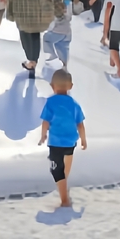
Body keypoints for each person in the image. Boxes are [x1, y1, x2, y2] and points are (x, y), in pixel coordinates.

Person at [39, 69, 87, 207]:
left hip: (55, 142)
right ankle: (64, 187)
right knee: (66, 166)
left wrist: (43, 135)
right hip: (71, 142)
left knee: (56, 170)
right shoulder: (74, 104)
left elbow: (45, 121)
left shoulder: (50, 102)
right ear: (70, 86)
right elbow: (80, 124)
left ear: (52, 86)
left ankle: (65, 200)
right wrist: (83, 139)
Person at [43, 0, 74, 68]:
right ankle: (64, 67)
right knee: (63, 48)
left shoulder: (59, 4)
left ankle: (52, 59)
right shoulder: (69, 2)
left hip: (58, 30)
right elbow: (69, 17)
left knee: (46, 39)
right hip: (68, 32)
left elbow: (55, 19)